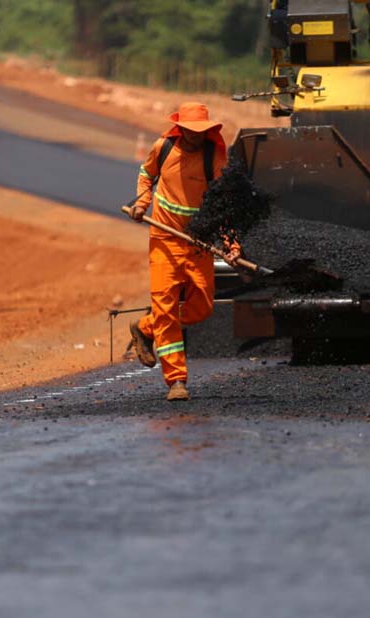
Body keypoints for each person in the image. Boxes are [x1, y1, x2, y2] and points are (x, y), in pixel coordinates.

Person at [127, 102, 240, 401]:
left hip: (198, 243)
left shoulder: (211, 156)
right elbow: (146, 174)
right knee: (165, 308)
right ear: (181, 128)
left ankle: (145, 327)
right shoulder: (163, 148)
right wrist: (141, 203)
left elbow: (222, 204)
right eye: (190, 131)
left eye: (199, 131)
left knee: (202, 307)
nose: (194, 136)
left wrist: (232, 245)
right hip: (164, 240)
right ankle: (176, 381)